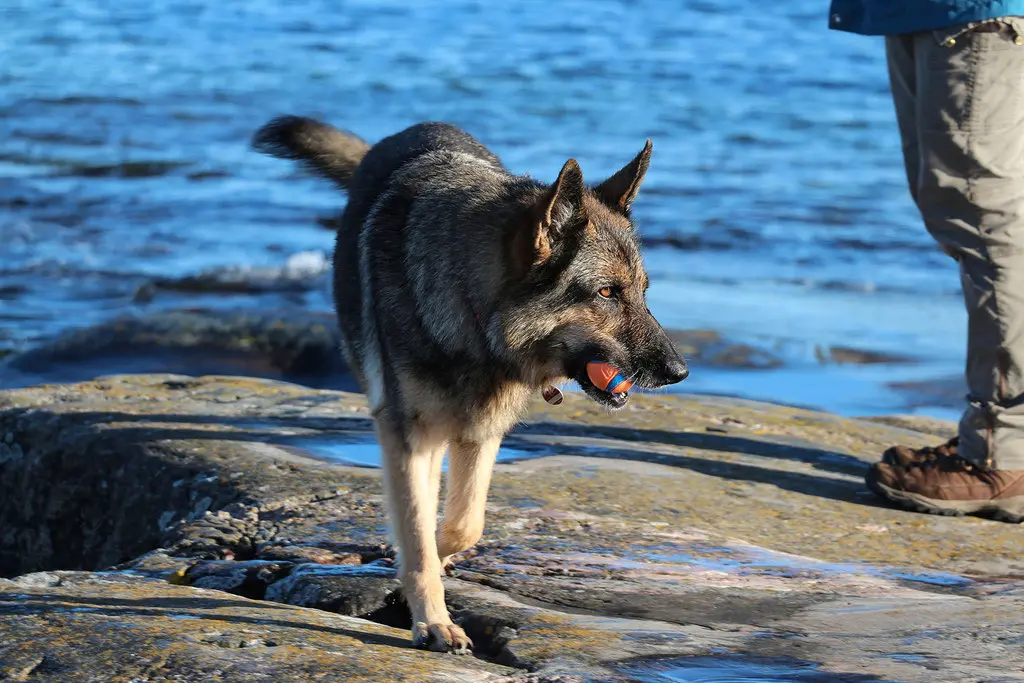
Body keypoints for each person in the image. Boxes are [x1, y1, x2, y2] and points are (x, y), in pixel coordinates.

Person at [828, 2, 1024, 522]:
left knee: (985, 220)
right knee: (974, 215)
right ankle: (998, 441)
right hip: (922, 12)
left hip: (974, 14)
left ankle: (1003, 455)